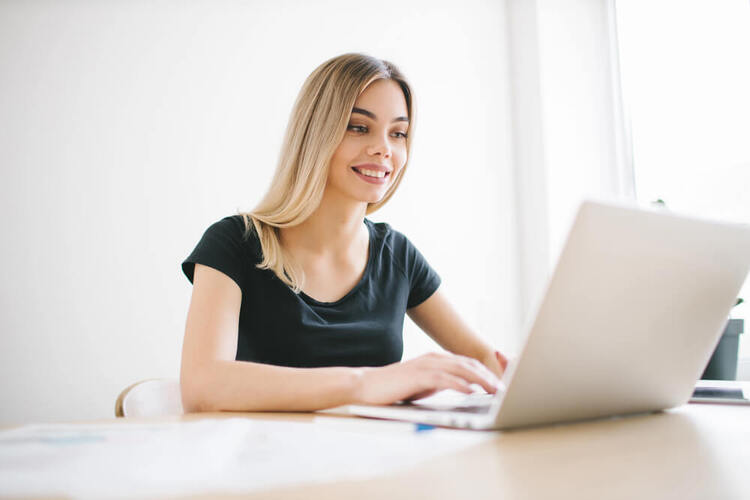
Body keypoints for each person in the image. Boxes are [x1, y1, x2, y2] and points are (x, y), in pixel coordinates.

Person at [180, 53, 508, 413]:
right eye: (359, 127)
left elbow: (484, 360)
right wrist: (367, 382)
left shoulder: (396, 255)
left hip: (374, 461)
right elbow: (202, 385)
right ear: (316, 134)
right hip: (269, 463)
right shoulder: (234, 243)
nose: (385, 148)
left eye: (398, 133)